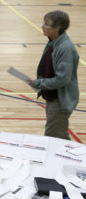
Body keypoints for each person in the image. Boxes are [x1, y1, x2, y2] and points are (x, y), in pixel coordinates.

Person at [27, 11, 79, 140]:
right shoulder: (53, 41)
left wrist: (39, 83)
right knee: (58, 135)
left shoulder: (64, 48)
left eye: (47, 24)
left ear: (58, 27)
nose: (42, 26)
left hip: (60, 100)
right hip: (52, 97)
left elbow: (63, 79)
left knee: (54, 137)